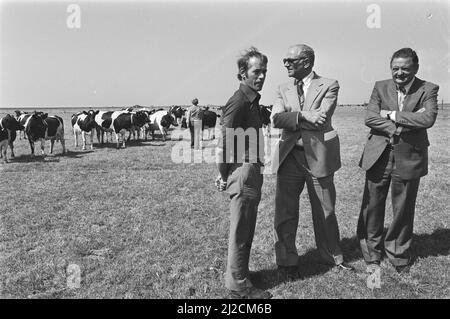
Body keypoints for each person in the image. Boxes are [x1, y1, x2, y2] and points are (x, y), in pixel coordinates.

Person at [270, 44, 353, 282]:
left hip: (319, 156)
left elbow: (322, 119)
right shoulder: (282, 88)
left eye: (290, 60)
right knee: (284, 212)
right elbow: (276, 119)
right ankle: (286, 261)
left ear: (306, 61)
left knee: (325, 210)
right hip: (289, 158)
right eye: (284, 60)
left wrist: (292, 118)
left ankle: (331, 256)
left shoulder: (329, 84)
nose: (285, 64)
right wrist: (305, 115)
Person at [357, 48, 439, 274]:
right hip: (379, 154)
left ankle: (398, 253)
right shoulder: (380, 86)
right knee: (372, 205)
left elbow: (428, 118)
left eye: (405, 68)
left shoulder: (428, 89)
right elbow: (370, 117)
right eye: (395, 68)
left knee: (403, 207)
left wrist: (391, 115)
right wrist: (402, 126)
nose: (399, 73)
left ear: (416, 68)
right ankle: (371, 253)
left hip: (410, 155)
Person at [215, 47, 271, 299]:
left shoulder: (252, 100)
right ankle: (239, 286)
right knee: (241, 231)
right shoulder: (239, 101)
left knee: (246, 229)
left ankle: (239, 275)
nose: (261, 77)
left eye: (264, 72)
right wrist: (223, 174)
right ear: (242, 73)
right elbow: (223, 144)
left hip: (250, 169)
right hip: (243, 170)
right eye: (256, 71)